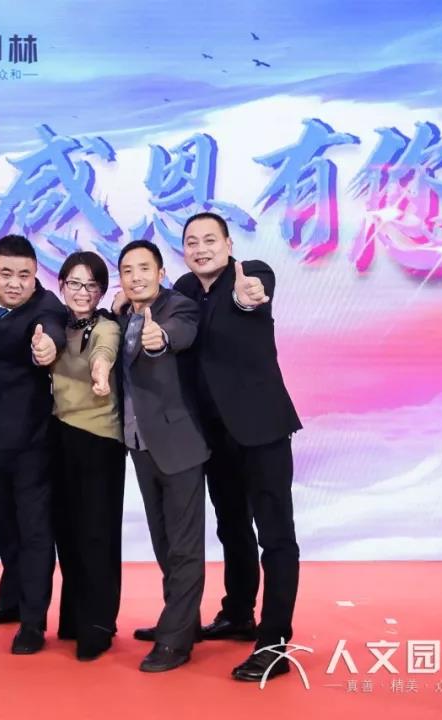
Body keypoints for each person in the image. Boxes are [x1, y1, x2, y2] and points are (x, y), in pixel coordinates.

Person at [172, 211, 302, 682]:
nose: (201, 248)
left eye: (210, 240)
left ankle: (275, 640)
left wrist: (250, 298)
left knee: (275, 535)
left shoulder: (252, 274)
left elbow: (255, 297)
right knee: (232, 527)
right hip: (213, 435)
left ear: (228, 245)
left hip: (262, 429)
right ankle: (238, 612)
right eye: (192, 242)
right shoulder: (184, 289)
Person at [0, 235, 67, 654]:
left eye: (25, 275)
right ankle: (11, 600)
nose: (15, 283)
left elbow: (52, 333)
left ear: (36, 276)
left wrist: (47, 347)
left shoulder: (46, 309)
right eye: (5, 273)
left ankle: (33, 622)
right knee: (3, 528)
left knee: (34, 533)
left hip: (32, 442)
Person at [116, 239, 209, 673]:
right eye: (127, 270)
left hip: (179, 443)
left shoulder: (178, 308)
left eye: (144, 268)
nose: (136, 277)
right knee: (164, 541)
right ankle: (183, 618)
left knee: (185, 546)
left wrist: (160, 339)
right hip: (139, 443)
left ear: (160, 272)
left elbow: (177, 335)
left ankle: (175, 641)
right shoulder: (125, 315)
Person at [49, 251, 125, 661]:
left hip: (99, 439)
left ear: (101, 291)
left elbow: (104, 352)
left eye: (92, 285)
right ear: (62, 285)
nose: (83, 292)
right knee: (67, 530)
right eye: (75, 283)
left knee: (97, 531)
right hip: (59, 435)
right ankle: (75, 616)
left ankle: (98, 624)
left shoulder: (106, 326)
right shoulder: (53, 323)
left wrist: (100, 372)